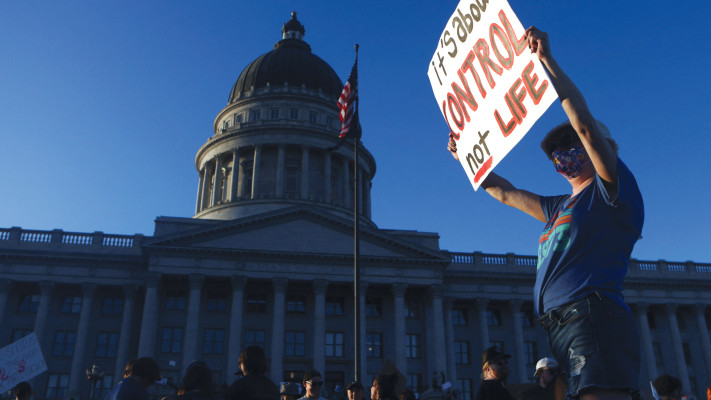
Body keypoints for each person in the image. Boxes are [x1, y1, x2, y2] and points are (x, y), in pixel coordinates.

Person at [447, 26, 644, 400]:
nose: (564, 152)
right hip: (560, 325)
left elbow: (584, 125)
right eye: (559, 149)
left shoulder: (611, 190)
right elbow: (505, 193)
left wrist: (546, 61)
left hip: (592, 315)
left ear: (604, 147)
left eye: (573, 144)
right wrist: (467, 156)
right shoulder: (559, 206)